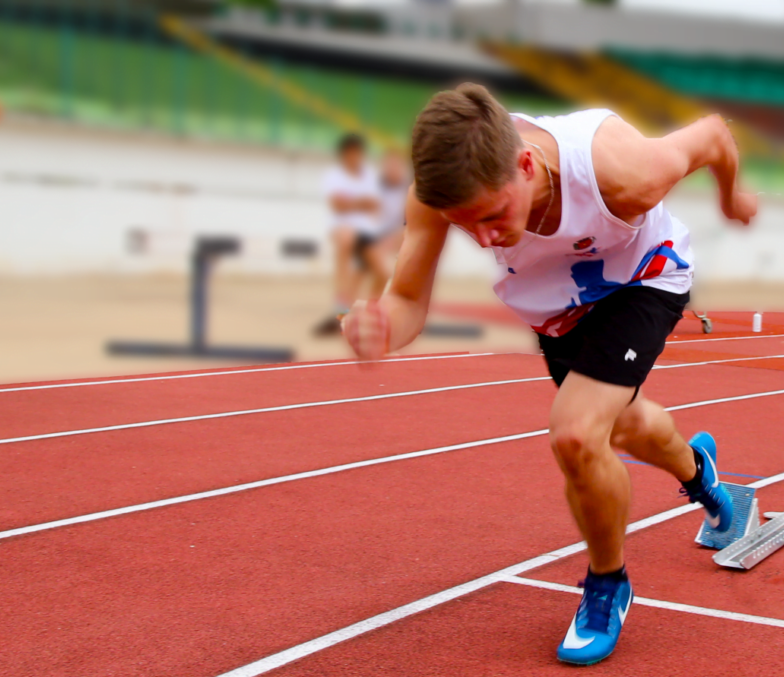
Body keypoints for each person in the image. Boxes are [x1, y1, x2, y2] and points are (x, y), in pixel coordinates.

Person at [342, 84, 756, 665]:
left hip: (643, 280)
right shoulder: (440, 192)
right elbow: (408, 298)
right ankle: (699, 471)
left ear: (527, 163)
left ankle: (608, 586)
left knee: (577, 432)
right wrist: (382, 327)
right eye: (468, 228)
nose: (486, 239)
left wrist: (732, 199)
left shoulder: (621, 170)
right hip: (559, 312)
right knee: (624, 428)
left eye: (492, 216)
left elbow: (713, 133)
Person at [313, 133, 388, 336]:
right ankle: (342, 311)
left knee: (383, 273)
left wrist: (353, 204)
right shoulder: (334, 175)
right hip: (344, 229)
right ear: (345, 155)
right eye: (351, 154)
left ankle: (366, 313)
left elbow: (374, 205)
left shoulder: (369, 175)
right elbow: (338, 206)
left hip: (366, 232)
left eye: (358, 154)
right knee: (345, 245)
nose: (355, 158)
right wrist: (361, 203)